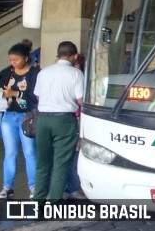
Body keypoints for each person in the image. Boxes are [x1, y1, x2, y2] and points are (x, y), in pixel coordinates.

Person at [33, 41, 84, 203]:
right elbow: (81, 101)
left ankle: (38, 201)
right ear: (75, 56)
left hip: (43, 120)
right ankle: (54, 203)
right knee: (61, 165)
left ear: (58, 55)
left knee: (42, 164)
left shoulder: (44, 72)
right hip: (64, 121)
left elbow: (38, 96)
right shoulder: (76, 74)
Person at [0, 40, 39, 199]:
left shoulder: (35, 73)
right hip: (9, 116)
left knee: (30, 152)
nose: (13, 63)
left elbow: (35, 98)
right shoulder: (9, 72)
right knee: (10, 153)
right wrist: (6, 93)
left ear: (26, 58)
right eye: (10, 60)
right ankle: (7, 187)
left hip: (27, 117)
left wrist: (15, 94)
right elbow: (3, 89)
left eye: (16, 60)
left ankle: (34, 186)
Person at [64, 53, 86, 200]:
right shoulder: (77, 77)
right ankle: (72, 188)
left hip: (75, 119)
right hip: (73, 120)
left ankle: (70, 187)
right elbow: (81, 102)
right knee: (72, 157)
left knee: (71, 157)